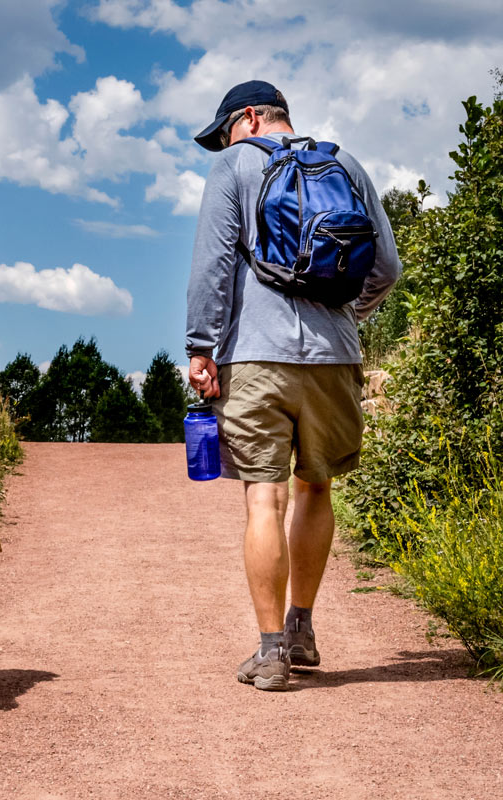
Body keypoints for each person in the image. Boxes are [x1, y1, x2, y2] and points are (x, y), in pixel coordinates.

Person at [186, 80, 401, 691]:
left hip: (255, 356)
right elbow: (386, 268)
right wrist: (342, 320)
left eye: (225, 129)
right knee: (316, 488)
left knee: (263, 497)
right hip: (335, 358)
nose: (222, 143)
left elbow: (213, 265)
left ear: (250, 118)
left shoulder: (234, 166)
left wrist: (200, 348)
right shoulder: (345, 162)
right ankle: (303, 627)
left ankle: (272, 651)